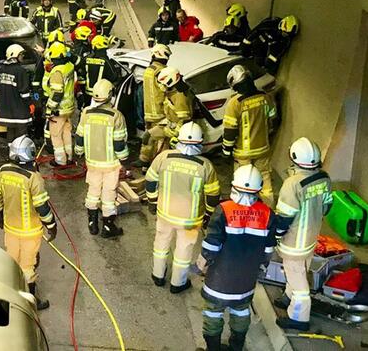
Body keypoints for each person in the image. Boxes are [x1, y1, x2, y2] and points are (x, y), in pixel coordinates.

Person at [199, 165, 276, 351]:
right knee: (241, 311)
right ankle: (236, 348)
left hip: (219, 278)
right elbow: (268, 249)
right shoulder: (267, 214)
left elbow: (212, 243)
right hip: (246, 279)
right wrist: (261, 266)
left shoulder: (223, 210)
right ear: (258, 190)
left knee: (213, 312)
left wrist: (202, 261)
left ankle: (213, 348)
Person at [145, 122, 220, 293]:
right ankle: (178, 283)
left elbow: (150, 180)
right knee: (184, 250)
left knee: (161, 244)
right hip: (190, 220)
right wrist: (208, 214)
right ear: (200, 142)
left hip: (165, 213)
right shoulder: (205, 165)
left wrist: (152, 202)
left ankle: (158, 275)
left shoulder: (164, 157)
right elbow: (213, 195)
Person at [0, 135, 57, 310]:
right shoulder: (34, 178)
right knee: (28, 265)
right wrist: (52, 226)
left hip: (10, 227)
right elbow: (42, 207)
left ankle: (10, 298)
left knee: (12, 261)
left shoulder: (2, 171)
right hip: (30, 231)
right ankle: (30, 302)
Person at [274, 138, 333, 331]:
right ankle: (288, 297)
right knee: (300, 271)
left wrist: (275, 236)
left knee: (298, 280)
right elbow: (326, 207)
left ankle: (299, 317)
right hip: (311, 238)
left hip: (294, 243)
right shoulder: (323, 178)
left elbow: (284, 217)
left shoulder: (292, 184)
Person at [75, 79, 130, 237]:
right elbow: (119, 143)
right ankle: (108, 226)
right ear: (110, 95)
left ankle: (92, 222)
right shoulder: (116, 116)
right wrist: (124, 161)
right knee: (108, 194)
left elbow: (79, 137)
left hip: (92, 163)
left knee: (93, 190)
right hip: (111, 164)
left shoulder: (86, 113)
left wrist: (79, 153)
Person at [222, 65, 278, 205]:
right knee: (265, 180)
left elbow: (230, 131)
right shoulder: (265, 97)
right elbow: (274, 119)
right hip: (263, 149)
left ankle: (242, 211)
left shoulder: (235, 103)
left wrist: (226, 151)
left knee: (243, 183)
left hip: (243, 153)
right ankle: (268, 209)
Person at [137, 44, 171, 169]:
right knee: (161, 143)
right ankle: (159, 168)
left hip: (148, 112)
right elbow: (168, 90)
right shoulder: (162, 71)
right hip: (161, 113)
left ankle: (145, 166)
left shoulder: (148, 70)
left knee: (148, 140)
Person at [45, 42, 77, 166]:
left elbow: (57, 93)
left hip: (58, 110)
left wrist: (49, 109)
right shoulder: (69, 66)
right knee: (66, 133)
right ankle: (69, 157)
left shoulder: (57, 72)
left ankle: (60, 160)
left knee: (56, 136)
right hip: (69, 108)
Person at [0, 44, 34, 145]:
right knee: (21, 133)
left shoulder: (2, 70)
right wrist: (30, 104)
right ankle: (20, 152)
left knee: (10, 131)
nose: (23, 57)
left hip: (6, 109)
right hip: (19, 109)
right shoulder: (20, 71)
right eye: (21, 55)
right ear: (15, 55)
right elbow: (24, 92)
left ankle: (11, 152)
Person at [157, 66, 193, 148]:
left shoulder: (180, 97)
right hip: (171, 127)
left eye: (163, 83)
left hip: (178, 132)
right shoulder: (172, 92)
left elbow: (185, 120)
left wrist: (175, 135)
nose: (161, 86)